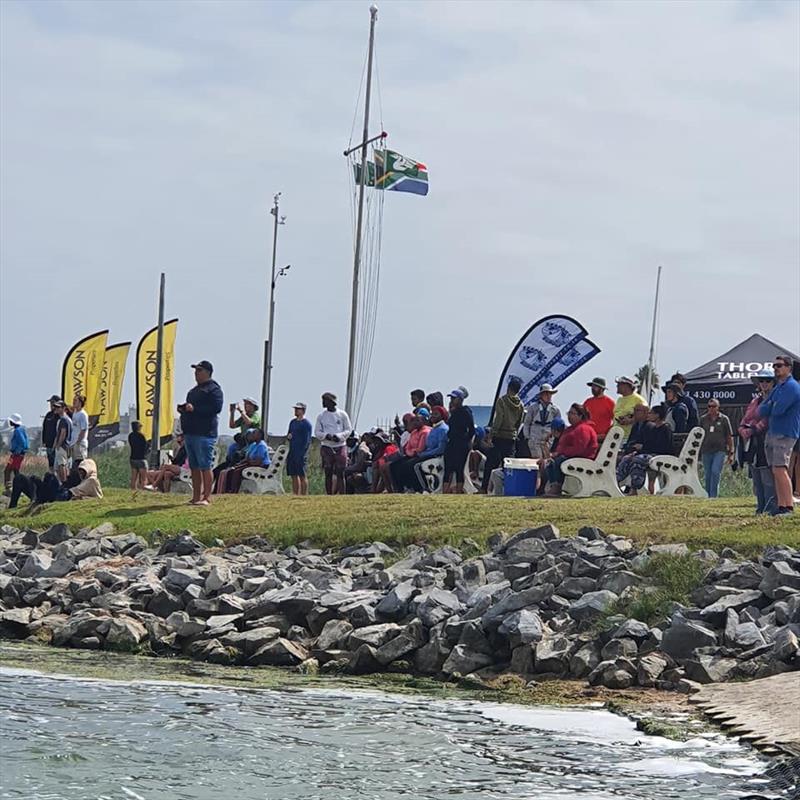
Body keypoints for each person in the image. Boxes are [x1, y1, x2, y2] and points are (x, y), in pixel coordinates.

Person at [177, 360, 224, 506]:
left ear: (207, 372)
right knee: (194, 467)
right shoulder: (193, 391)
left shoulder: (214, 389)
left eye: (199, 370)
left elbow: (216, 408)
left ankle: (207, 497)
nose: (196, 374)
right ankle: (196, 496)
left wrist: (195, 409)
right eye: (195, 371)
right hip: (191, 433)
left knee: (205, 465)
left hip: (205, 433)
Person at [758, 354, 800, 516]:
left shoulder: (792, 387)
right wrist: (770, 405)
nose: (776, 368)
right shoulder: (778, 388)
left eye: (779, 365)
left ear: (788, 368)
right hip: (774, 432)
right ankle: (781, 504)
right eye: (774, 366)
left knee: (781, 469)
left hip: (785, 433)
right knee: (776, 469)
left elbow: (778, 409)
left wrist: (770, 405)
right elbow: (762, 409)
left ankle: (788, 506)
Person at [739, 370, 776, 515]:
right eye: (762, 381)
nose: (764, 383)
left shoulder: (774, 399)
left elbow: (769, 419)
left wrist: (753, 430)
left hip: (768, 439)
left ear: (773, 383)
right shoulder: (755, 401)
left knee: (767, 476)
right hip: (753, 441)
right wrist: (743, 428)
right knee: (756, 476)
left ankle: (770, 507)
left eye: (768, 381)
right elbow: (746, 417)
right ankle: (761, 507)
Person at [542, 403, 598, 496]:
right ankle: (553, 485)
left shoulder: (584, 429)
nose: (569, 416)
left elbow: (579, 449)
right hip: (570, 456)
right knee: (551, 462)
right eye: (569, 413)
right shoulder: (571, 429)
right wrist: (557, 453)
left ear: (580, 416)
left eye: (572, 413)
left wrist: (561, 453)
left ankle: (557, 487)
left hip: (583, 458)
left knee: (559, 461)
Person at [616, 404, 674, 494]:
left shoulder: (665, 428)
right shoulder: (653, 429)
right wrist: (636, 451)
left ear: (657, 415)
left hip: (661, 455)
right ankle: (617, 480)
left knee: (638, 460)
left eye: (651, 413)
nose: (649, 415)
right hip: (649, 454)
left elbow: (662, 447)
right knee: (627, 458)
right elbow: (647, 444)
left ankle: (635, 487)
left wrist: (643, 448)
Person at [481, 378, 525, 493]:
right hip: (511, 437)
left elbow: (498, 419)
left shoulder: (502, 401)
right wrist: (514, 431)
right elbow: (519, 422)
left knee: (491, 464)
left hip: (500, 436)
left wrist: (491, 434)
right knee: (508, 466)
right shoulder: (520, 404)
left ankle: (484, 488)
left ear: (508, 388)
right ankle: (509, 488)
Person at [9, 458, 102, 509]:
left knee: (49, 476)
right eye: (80, 470)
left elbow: (74, 492)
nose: (80, 473)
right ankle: (16, 505)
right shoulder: (82, 479)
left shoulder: (91, 480)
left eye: (83, 471)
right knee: (20, 478)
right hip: (60, 494)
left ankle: (37, 495)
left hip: (60, 496)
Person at [314, 392, 352, 495]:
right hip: (327, 446)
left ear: (332, 402)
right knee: (328, 470)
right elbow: (317, 432)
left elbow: (348, 429)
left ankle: (342, 494)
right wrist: (326, 436)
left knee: (340, 471)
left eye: (325, 401)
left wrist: (339, 437)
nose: (323, 403)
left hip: (340, 446)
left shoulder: (342, 414)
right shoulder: (321, 416)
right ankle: (329, 494)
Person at [699, 398, 734, 498]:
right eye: (709, 406)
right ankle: (708, 495)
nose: (711, 408)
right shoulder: (703, 419)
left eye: (713, 406)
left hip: (720, 450)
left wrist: (731, 452)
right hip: (706, 450)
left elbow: (729, 436)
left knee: (715, 471)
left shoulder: (724, 419)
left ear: (718, 407)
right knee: (708, 474)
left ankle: (713, 496)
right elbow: (699, 434)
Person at [443, 388, 475, 493]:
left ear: (460, 399)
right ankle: (445, 491)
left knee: (459, 468)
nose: (451, 400)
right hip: (451, 442)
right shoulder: (453, 412)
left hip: (461, 444)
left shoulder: (465, 412)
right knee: (448, 468)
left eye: (454, 398)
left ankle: (458, 491)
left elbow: (471, 429)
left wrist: (467, 441)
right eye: (451, 398)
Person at [522, 384, 561, 459]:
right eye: (546, 393)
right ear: (541, 395)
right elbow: (527, 423)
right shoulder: (533, 408)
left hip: (548, 437)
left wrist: (554, 436)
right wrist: (527, 436)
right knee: (537, 459)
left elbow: (558, 426)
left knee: (546, 459)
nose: (548, 396)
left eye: (550, 393)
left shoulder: (555, 410)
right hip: (534, 436)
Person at [287, 402, 313, 496]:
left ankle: (304, 494)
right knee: (293, 474)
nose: (296, 411)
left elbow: (307, 440)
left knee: (302, 474)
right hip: (292, 451)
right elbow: (289, 434)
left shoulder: (306, 424)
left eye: (298, 409)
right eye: (295, 409)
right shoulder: (292, 422)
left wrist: (303, 453)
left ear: (303, 411)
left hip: (301, 453)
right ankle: (295, 493)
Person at [3, 414, 29, 493]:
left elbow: (22, 443)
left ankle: (9, 489)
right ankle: (18, 488)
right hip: (18, 454)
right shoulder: (22, 429)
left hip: (16, 455)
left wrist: (17, 451)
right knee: (15, 470)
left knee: (7, 470)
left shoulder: (17, 430)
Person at [53, 401, 73, 483]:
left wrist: (58, 444)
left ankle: (64, 483)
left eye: (58, 407)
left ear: (64, 408)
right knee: (60, 466)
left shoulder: (63, 420)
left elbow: (63, 433)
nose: (56, 409)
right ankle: (63, 482)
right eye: (56, 407)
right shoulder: (67, 419)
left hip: (62, 446)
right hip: (66, 446)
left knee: (62, 464)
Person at [41, 395, 61, 473]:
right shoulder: (48, 415)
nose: (51, 405)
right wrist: (44, 441)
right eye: (51, 403)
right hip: (48, 444)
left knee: (58, 464)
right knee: (51, 464)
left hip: (57, 445)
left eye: (53, 403)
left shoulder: (59, 416)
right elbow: (44, 428)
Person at [68, 394, 89, 465]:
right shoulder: (75, 413)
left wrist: (78, 442)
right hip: (73, 443)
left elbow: (83, 429)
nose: (73, 402)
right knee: (74, 465)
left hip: (80, 444)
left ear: (80, 403)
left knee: (80, 464)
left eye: (75, 400)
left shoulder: (83, 414)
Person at [128, 420, 149, 491]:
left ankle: (133, 489)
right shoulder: (141, 436)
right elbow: (146, 446)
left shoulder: (130, 436)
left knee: (134, 477)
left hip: (133, 458)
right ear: (139, 427)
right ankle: (143, 489)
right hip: (141, 458)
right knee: (144, 477)